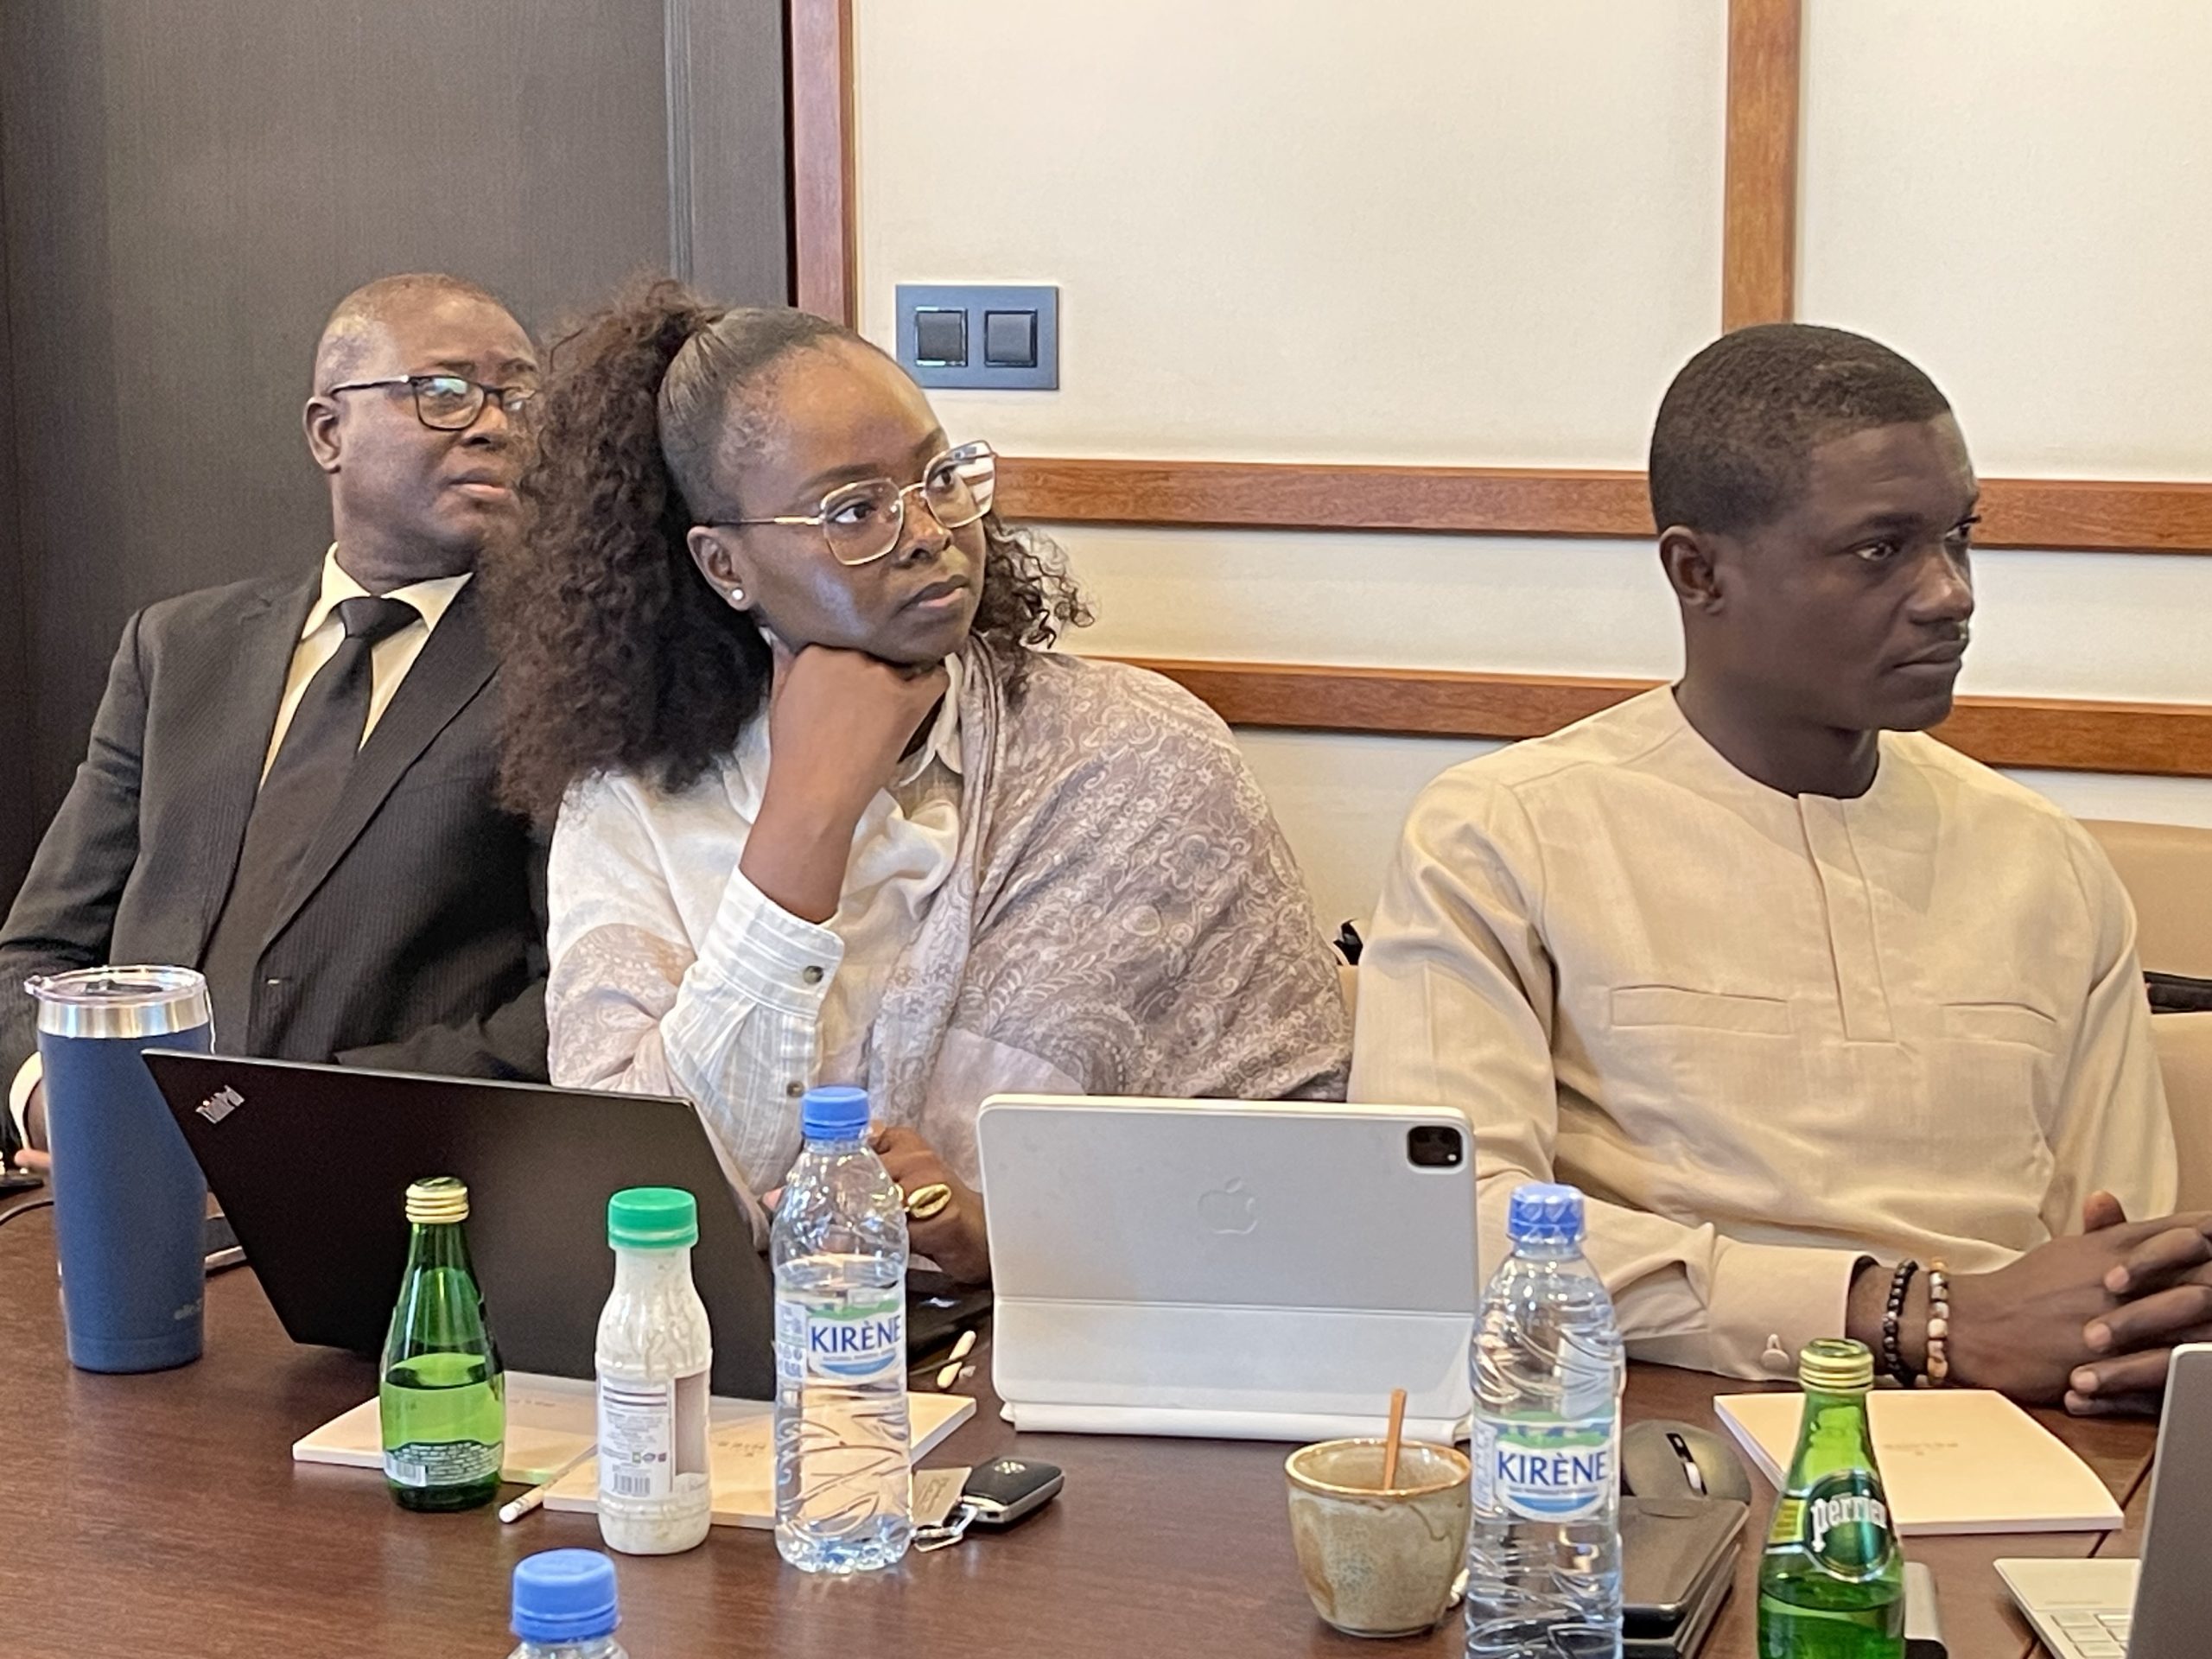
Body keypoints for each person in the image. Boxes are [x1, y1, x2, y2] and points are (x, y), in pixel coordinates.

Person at [1352, 323, 2206, 1416]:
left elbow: (2121, 1257)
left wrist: (2130, 1316)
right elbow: (1443, 1226)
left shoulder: (2044, 861)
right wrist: (1907, 1315)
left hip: (2020, 1431)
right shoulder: (1502, 836)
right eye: (1880, 550)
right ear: (1697, 572)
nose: (1950, 594)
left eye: (1959, 537)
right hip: (1655, 1432)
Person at [492, 284, 1349, 1284]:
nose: (928, 531)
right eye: (854, 510)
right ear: (726, 565)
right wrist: (803, 827)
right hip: (734, 1354)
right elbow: (637, 1196)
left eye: (939, 478)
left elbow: (1295, 1163)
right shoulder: (631, 804)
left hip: (1068, 1337)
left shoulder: (1135, 755)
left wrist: (1007, 1237)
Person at [1, 273, 552, 1168]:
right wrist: (55, 1100)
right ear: (328, 431)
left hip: (386, 1186)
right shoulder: (178, 650)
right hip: (126, 1185)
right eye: (445, 392)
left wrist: (277, 1124)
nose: (495, 425)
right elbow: (40, 951)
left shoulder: (568, 669)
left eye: (519, 398)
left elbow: (573, 1001)